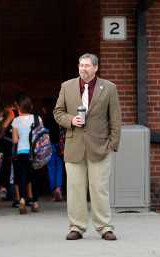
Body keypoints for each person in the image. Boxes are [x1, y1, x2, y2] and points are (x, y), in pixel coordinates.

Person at [54, 53, 122, 241]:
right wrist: (70, 120)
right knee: (75, 188)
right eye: (81, 65)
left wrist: (112, 144)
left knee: (99, 188)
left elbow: (115, 118)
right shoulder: (67, 87)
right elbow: (57, 112)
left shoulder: (109, 88)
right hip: (74, 146)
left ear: (95, 68)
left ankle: (104, 227)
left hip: (100, 147)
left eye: (87, 66)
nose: (83, 69)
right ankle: (77, 227)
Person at [12, 95, 43, 214]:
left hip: (22, 152)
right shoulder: (37, 118)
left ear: (19, 107)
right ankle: (35, 203)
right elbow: (41, 136)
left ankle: (23, 201)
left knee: (22, 177)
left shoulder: (16, 120)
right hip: (35, 152)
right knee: (34, 177)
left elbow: (15, 140)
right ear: (30, 107)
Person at [41, 97, 64, 201]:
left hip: (49, 146)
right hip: (59, 146)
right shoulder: (59, 118)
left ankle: (53, 190)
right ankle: (59, 189)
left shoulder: (46, 120)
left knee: (51, 169)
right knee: (59, 168)